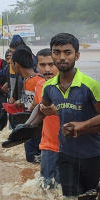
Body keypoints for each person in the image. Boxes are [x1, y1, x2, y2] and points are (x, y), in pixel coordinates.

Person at [39, 33, 100, 197]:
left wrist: (82, 129)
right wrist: (25, 127)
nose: (61, 57)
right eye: (56, 52)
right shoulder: (49, 87)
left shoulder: (91, 86)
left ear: (77, 55)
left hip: (92, 155)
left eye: (67, 52)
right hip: (65, 154)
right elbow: (42, 109)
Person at [8, 47, 44, 163]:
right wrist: (20, 102)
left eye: (11, 63)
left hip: (36, 129)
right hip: (31, 128)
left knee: (34, 161)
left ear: (16, 64)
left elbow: (41, 104)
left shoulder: (38, 81)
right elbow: (32, 99)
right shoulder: (26, 80)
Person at [33, 49, 60, 189]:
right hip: (48, 146)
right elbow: (37, 110)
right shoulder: (39, 85)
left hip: (70, 147)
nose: (47, 69)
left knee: (67, 193)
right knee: (46, 188)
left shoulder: (72, 85)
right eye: (42, 65)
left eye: (51, 64)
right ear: (36, 66)